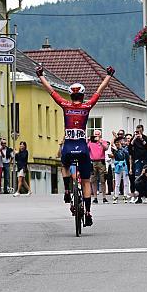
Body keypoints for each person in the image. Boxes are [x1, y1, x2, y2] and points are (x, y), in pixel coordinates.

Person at [36, 64, 115, 227]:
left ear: (71, 95)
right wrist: (108, 75)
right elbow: (99, 91)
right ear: (82, 95)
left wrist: (41, 76)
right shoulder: (87, 107)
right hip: (83, 149)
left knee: (64, 166)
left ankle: (66, 189)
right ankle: (87, 212)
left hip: (68, 148)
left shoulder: (65, 105)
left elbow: (51, 91)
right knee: (86, 181)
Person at [87, 130, 109, 203]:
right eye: (95, 134)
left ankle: (104, 197)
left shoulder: (103, 141)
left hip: (101, 162)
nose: (97, 136)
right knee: (93, 180)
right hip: (92, 162)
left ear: (100, 135)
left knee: (103, 180)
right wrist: (87, 141)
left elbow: (106, 148)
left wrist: (100, 142)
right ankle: (95, 197)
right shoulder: (90, 142)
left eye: (98, 134)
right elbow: (86, 150)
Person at [109, 136, 131, 203]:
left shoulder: (125, 148)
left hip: (124, 166)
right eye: (117, 143)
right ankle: (116, 196)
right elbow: (111, 144)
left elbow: (127, 155)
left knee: (126, 182)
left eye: (119, 142)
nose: (117, 144)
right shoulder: (114, 149)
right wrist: (114, 137)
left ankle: (125, 195)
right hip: (118, 166)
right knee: (117, 182)